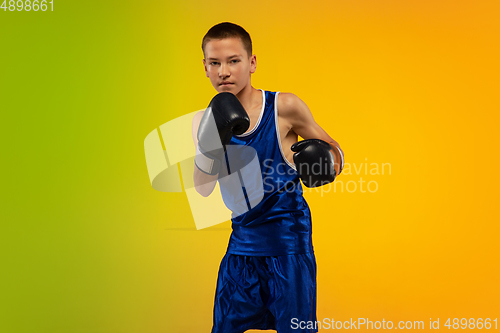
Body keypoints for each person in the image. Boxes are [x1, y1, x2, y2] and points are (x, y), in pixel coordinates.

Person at [191, 22, 344, 333]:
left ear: (252, 63)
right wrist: (211, 143)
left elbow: (335, 150)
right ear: (204, 67)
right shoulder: (204, 121)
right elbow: (202, 188)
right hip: (242, 247)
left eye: (234, 61)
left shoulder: (283, 107)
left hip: (288, 247)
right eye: (215, 63)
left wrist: (326, 160)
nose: (224, 72)